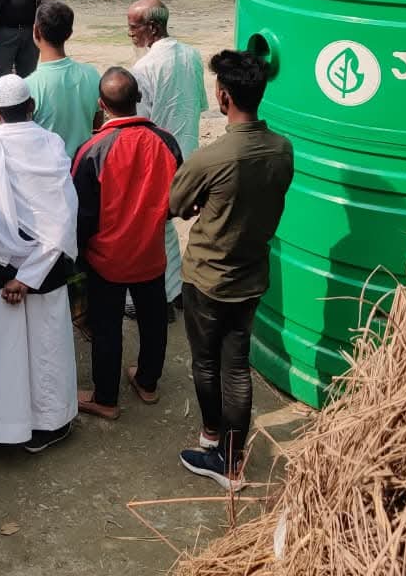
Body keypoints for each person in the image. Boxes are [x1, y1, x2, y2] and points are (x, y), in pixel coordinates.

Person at [170, 50, 293, 491]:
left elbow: (175, 206)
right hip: (251, 274)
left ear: (223, 97)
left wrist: (206, 203)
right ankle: (233, 458)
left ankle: (212, 441)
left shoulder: (212, 157)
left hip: (207, 277)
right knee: (236, 365)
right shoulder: (282, 148)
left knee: (206, 362)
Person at [0, 74, 78, 453]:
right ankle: (50, 425)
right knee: (47, 346)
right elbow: (61, 219)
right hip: (45, 269)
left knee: (2, 349)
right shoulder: (53, 147)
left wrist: (7, 261)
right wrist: (28, 274)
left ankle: (4, 429)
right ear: (31, 108)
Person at [72, 68, 181, 421]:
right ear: (137, 99)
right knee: (153, 318)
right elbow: (176, 198)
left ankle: (105, 397)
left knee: (106, 325)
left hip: (107, 258)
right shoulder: (166, 141)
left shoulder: (91, 150)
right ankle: (147, 382)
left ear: (101, 105)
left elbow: (82, 214)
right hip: (150, 251)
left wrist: (78, 253)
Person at [128, 0, 209, 314]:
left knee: (153, 226)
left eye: (133, 27)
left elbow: (139, 123)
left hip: (158, 160)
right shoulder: (191, 55)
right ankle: (174, 289)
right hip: (189, 158)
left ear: (152, 27)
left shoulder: (144, 68)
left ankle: (162, 295)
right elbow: (199, 107)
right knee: (166, 225)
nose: (130, 33)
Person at [24, 1, 102, 159]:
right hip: (83, 168)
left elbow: (25, 140)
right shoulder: (92, 74)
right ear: (70, 33)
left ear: (36, 31)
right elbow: (97, 125)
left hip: (48, 172)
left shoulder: (29, 85)